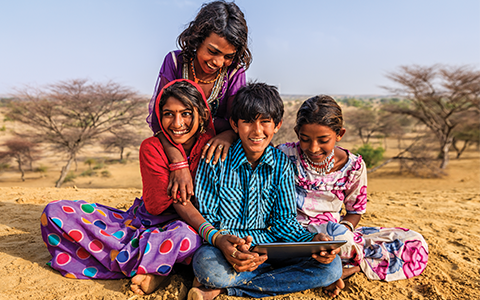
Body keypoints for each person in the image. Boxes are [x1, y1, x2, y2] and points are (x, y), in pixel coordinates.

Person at [40, 79, 244, 296]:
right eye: (168, 114)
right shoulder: (152, 147)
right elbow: (156, 206)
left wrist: (224, 138)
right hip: (145, 221)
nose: (177, 123)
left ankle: (151, 265)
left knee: (187, 238)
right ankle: (159, 266)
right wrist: (178, 163)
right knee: (54, 212)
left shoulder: (212, 144)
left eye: (185, 113)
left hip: (191, 227)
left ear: (202, 114)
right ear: (159, 115)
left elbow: (238, 136)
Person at [188, 83, 343, 300]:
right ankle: (255, 279)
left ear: (277, 125)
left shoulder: (281, 165)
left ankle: (227, 288)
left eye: (265, 122)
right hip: (228, 248)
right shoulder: (215, 161)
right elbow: (208, 219)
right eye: (248, 122)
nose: (257, 131)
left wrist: (312, 240)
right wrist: (231, 248)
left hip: (270, 247)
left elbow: (284, 222)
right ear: (234, 124)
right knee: (207, 266)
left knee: (332, 267)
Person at [277, 95, 429, 289]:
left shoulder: (354, 166)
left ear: (340, 134)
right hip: (293, 233)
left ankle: (347, 267)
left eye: (323, 140)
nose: (313, 148)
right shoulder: (283, 155)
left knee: (414, 242)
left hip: (334, 235)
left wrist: (344, 233)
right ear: (297, 132)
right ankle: (339, 267)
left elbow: (355, 211)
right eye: (305, 139)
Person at [146, 0, 252, 204]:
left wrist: (228, 136)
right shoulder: (175, 62)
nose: (218, 62)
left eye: (228, 56)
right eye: (212, 51)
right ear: (197, 39)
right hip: (175, 147)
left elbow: (238, 120)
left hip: (217, 156)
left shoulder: (234, 72)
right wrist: (178, 163)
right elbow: (160, 121)